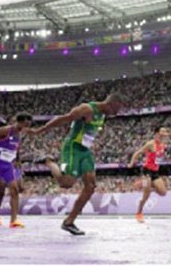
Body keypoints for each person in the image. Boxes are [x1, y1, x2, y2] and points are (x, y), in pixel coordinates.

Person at [30, 93, 127, 235]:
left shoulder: (103, 114)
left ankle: (69, 222)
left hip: (85, 151)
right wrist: (40, 130)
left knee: (91, 186)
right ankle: (49, 162)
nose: (115, 114)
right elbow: (63, 119)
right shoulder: (86, 109)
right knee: (66, 183)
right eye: (115, 111)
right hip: (73, 148)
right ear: (109, 104)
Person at [128, 127, 168, 223]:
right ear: (157, 133)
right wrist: (131, 163)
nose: (165, 132)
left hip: (155, 172)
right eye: (163, 131)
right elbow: (138, 152)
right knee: (146, 196)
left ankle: (147, 185)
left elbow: (159, 157)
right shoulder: (150, 144)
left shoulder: (163, 144)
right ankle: (139, 213)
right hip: (146, 172)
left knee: (163, 193)